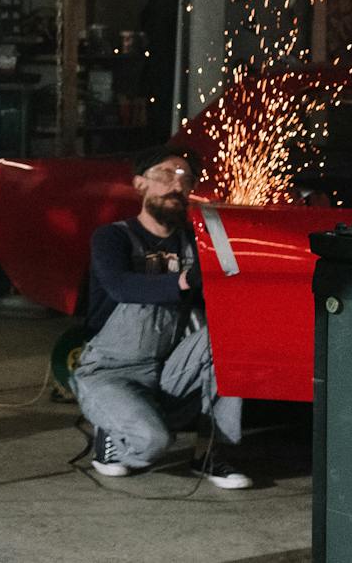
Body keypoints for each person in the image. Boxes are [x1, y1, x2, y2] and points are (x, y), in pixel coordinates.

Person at [73, 146, 251, 488]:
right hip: (111, 372)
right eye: (166, 175)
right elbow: (121, 287)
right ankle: (111, 433)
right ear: (140, 185)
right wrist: (184, 280)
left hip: (169, 370)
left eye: (185, 179)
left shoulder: (194, 243)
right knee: (153, 443)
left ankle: (210, 452)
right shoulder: (112, 237)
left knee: (229, 337)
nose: (176, 186)